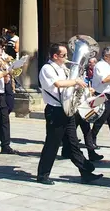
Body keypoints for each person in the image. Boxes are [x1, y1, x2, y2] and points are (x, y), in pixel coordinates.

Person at [36, 43, 102, 186]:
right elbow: (58, 84)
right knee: (52, 144)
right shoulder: (47, 68)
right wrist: (75, 81)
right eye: (64, 55)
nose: (67, 58)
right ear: (55, 56)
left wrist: (83, 88)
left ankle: (86, 172)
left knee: (73, 143)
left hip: (68, 109)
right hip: (55, 111)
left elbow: (71, 86)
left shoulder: (63, 68)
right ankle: (43, 174)